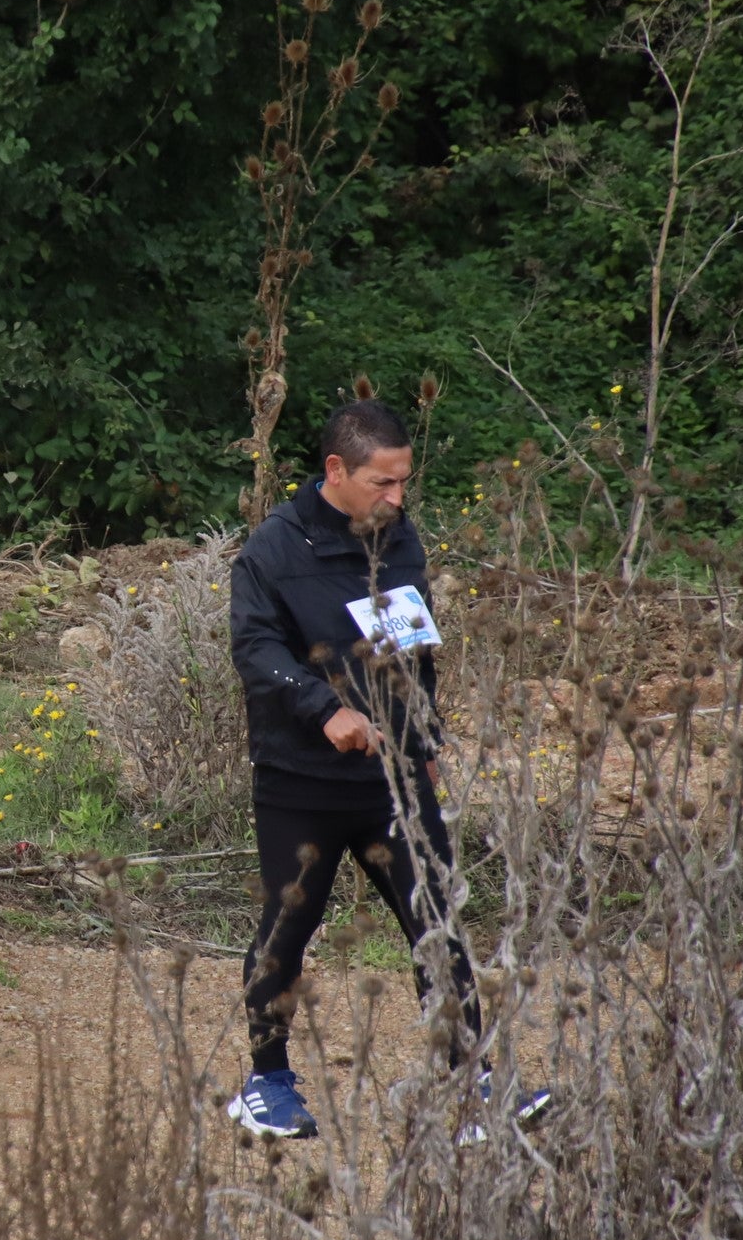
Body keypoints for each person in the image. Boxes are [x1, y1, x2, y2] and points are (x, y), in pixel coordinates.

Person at [226, 398, 550, 1141]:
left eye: (405, 482)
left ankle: (468, 1082)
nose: (398, 499)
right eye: (383, 482)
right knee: (288, 927)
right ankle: (265, 1083)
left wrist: (425, 739)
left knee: (435, 919)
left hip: (394, 781)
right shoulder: (273, 549)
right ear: (335, 470)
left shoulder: (400, 538)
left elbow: (414, 646)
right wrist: (322, 708)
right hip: (298, 779)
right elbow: (255, 649)